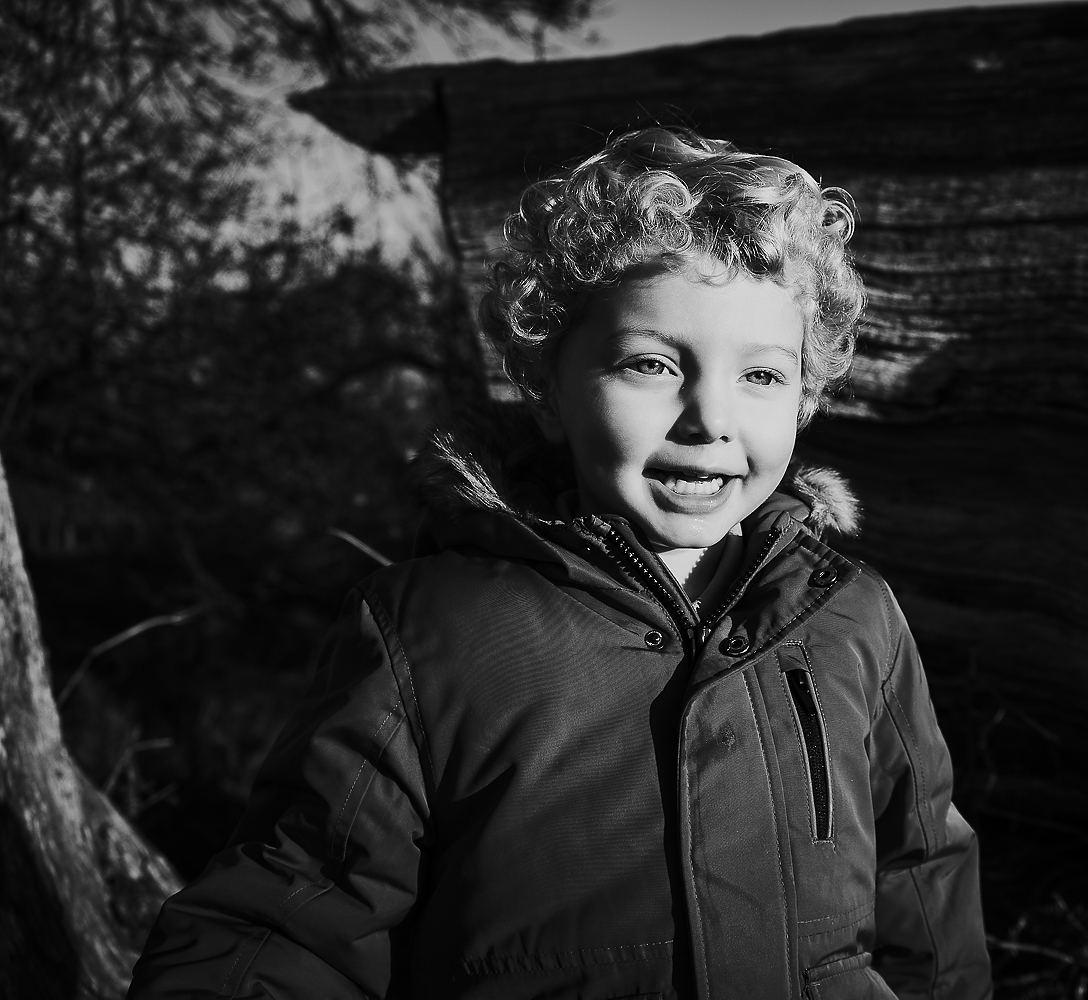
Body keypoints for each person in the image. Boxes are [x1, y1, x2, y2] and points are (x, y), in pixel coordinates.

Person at [128, 128, 991, 1000]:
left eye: (762, 377)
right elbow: (293, 913)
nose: (709, 419)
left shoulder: (852, 617)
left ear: (806, 397)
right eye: (652, 364)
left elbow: (922, 873)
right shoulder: (434, 631)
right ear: (549, 386)